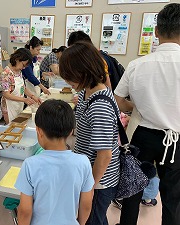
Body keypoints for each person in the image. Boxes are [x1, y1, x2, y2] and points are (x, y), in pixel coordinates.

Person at [114, 3, 180, 225]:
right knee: (173, 196)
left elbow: (119, 100)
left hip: (142, 133)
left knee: (133, 189)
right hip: (175, 139)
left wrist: (139, 108)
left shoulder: (137, 64)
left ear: (157, 32)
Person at [59, 41, 120, 225]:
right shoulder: (88, 92)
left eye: (70, 77)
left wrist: (89, 187)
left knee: (92, 219)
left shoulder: (100, 105)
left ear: (83, 72)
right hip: (88, 172)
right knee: (97, 218)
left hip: (98, 181)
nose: (68, 82)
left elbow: (104, 155)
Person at [15, 99, 94, 225]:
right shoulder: (83, 162)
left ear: (39, 131)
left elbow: (25, 211)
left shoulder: (30, 164)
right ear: (71, 132)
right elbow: (86, 204)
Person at [0, 48, 41, 124]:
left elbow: (23, 87)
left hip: (18, 105)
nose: (24, 68)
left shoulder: (19, 72)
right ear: (17, 59)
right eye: (24, 65)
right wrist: (24, 100)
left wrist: (32, 96)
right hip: (9, 107)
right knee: (11, 128)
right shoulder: (6, 73)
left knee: (18, 126)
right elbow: (6, 95)